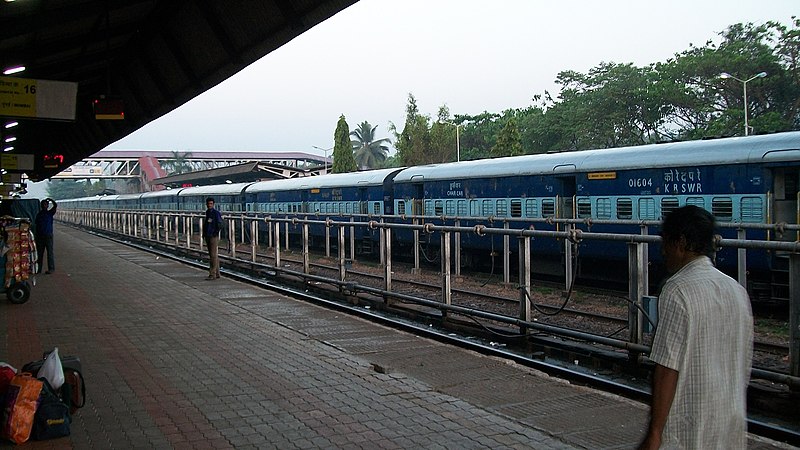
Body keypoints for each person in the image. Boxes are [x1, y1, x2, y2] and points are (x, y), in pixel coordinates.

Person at [639, 205, 753, 450]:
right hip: (730, 424)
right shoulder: (737, 291)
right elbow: (744, 364)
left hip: (689, 428)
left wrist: (655, 433)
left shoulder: (677, 289)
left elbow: (667, 368)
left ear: (680, 242)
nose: (662, 251)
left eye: (665, 242)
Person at [35, 197, 58, 274]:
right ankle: (38, 269)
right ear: (41, 206)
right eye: (43, 204)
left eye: (46, 204)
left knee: (50, 253)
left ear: (48, 205)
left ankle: (51, 269)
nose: (44, 206)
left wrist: (51, 200)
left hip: (48, 235)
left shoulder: (50, 213)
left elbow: (55, 206)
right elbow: (37, 225)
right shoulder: (39, 215)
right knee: (39, 253)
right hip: (40, 236)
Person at [203, 197, 223, 280]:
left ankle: (212, 274)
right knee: (213, 255)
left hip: (213, 236)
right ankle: (217, 273)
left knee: (213, 256)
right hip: (208, 235)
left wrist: (215, 233)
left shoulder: (216, 213)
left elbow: (219, 223)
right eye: (208, 204)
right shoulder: (207, 212)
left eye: (211, 204)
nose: (209, 205)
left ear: (213, 204)